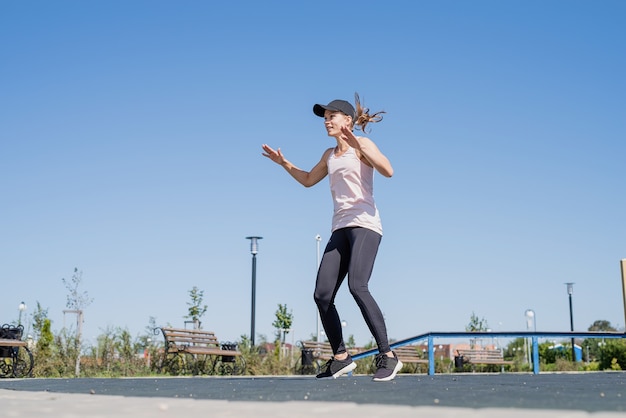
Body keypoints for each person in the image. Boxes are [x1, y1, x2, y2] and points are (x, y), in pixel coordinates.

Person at [261, 93, 401, 382]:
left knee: (357, 286)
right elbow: (309, 180)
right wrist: (284, 164)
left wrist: (357, 144)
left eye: (331, 116)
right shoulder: (329, 155)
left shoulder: (362, 145)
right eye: (324, 117)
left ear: (347, 120)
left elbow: (388, 171)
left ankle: (388, 356)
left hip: (365, 225)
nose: (326, 121)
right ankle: (341, 358)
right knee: (322, 295)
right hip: (340, 228)